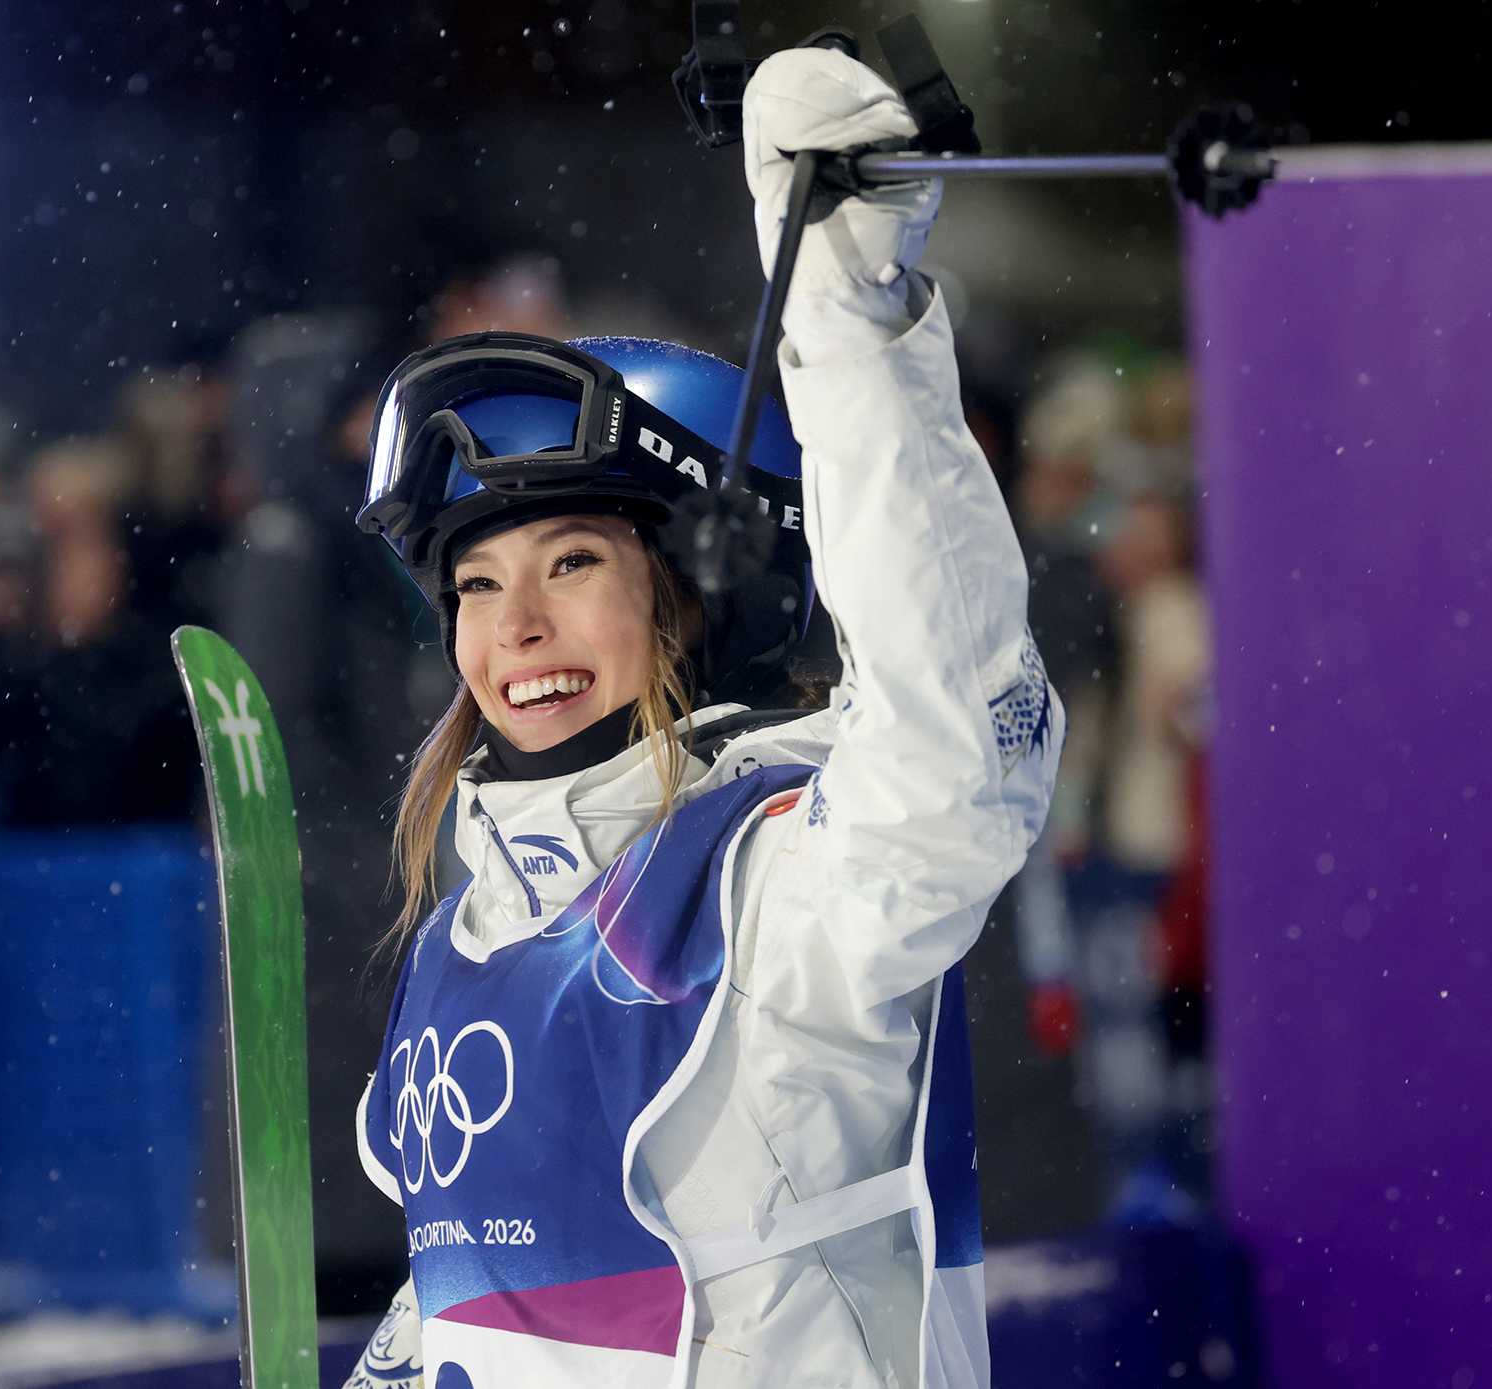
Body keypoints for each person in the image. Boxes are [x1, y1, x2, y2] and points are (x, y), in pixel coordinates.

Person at [342, 48, 1061, 1389]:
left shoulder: (780, 886)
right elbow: (488, 1316)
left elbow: (959, 736)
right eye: (477, 585)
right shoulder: (467, 935)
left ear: (697, 593)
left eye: (571, 564)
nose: (515, 628)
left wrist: (848, 322)